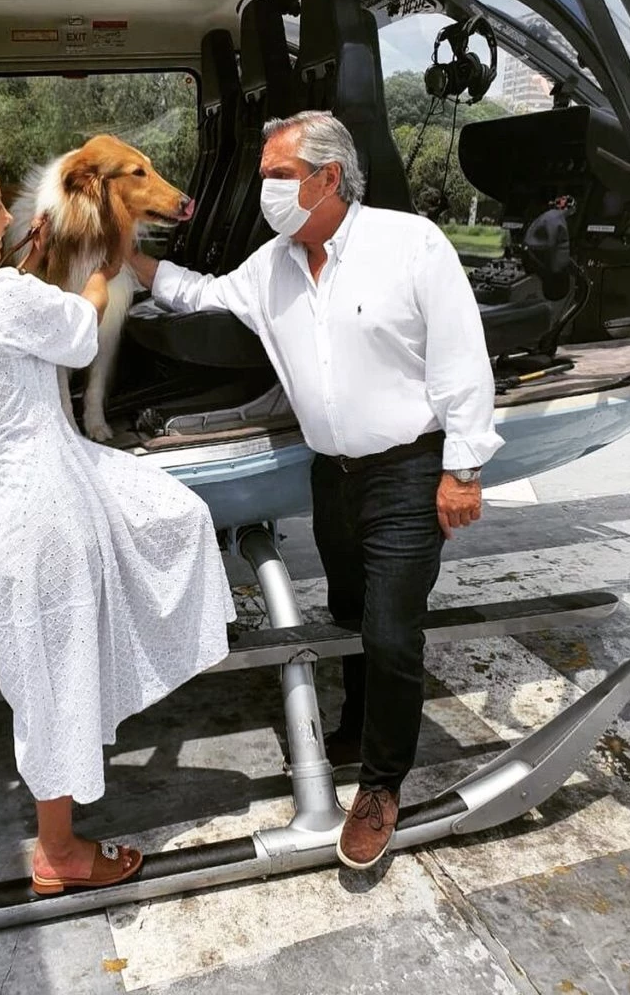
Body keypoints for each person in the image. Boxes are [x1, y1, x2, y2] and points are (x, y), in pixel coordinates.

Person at [0, 131, 236, 894]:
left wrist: (24, 273)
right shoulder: (0, 297)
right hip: (50, 505)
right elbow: (78, 337)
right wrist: (99, 276)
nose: (8, 220)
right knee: (61, 672)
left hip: (10, 501)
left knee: (52, 667)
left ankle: (70, 807)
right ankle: (58, 852)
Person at [129, 110, 503, 870]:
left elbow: (462, 360)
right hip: (331, 477)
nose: (264, 189)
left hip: (408, 470)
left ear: (328, 177)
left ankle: (381, 786)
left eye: (277, 175)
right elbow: (198, 294)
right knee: (350, 615)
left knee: (392, 632)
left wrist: (463, 470)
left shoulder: (410, 244)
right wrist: (123, 259)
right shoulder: (272, 265)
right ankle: (360, 724)